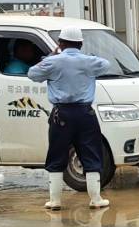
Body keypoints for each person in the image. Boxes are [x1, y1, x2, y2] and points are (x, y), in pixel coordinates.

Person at [27, 26, 113, 210]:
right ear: (81, 43)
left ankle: (55, 201)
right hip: (85, 113)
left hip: (61, 114)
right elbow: (106, 65)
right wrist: (87, 58)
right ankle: (96, 199)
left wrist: (51, 56)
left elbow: (32, 74)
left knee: (57, 155)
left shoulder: (54, 62)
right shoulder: (88, 61)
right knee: (91, 154)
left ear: (61, 43)